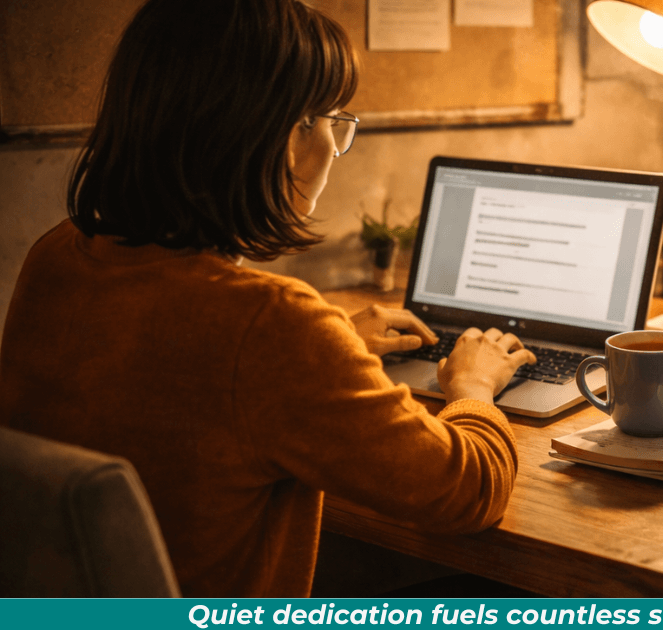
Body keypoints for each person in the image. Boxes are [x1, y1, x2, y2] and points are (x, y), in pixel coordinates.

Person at [0, 0, 535, 597]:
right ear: (287, 136)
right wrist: (474, 387)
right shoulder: (270, 326)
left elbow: (178, 378)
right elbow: (468, 491)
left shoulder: (56, 257)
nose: (336, 143)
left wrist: (332, 346)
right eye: (333, 118)